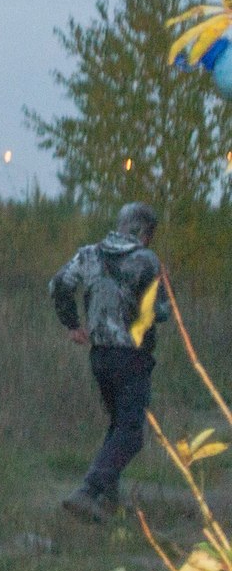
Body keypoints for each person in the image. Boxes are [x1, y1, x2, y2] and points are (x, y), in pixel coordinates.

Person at [50, 201, 166, 522]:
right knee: (130, 432)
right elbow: (163, 312)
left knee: (118, 424)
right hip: (133, 356)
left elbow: (59, 284)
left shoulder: (89, 254)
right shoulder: (146, 260)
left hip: (99, 356)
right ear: (144, 231)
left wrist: (72, 323)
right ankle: (87, 492)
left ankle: (109, 499)